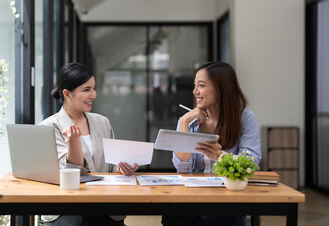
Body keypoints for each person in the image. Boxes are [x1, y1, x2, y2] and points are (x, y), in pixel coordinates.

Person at [161, 61, 261, 226]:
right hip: (192, 197)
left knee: (216, 220)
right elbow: (182, 168)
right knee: (172, 218)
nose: (195, 92)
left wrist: (220, 156)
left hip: (228, 199)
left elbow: (249, 164)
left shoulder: (245, 119)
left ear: (221, 88)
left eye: (201, 85)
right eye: (195, 86)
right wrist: (185, 121)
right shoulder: (188, 121)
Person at [40, 62, 139, 226]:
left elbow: (111, 166)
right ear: (67, 94)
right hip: (68, 210)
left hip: (104, 206)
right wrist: (74, 142)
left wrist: (121, 168)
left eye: (93, 88)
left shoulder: (102, 122)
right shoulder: (50, 127)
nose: (93, 95)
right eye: (86, 90)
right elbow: (72, 172)